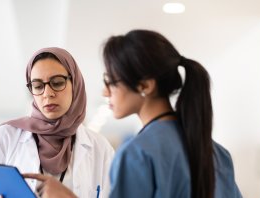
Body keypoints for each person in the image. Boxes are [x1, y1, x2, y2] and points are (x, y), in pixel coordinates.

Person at [25, 29, 242, 198]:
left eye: (111, 81)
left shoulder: (138, 154)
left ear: (145, 86)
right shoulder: (217, 152)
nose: (105, 91)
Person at [0, 47, 115, 198]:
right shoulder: (5, 137)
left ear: (75, 83)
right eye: (38, 86)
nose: (47, 94)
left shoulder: (99, 148)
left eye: (57, 83)